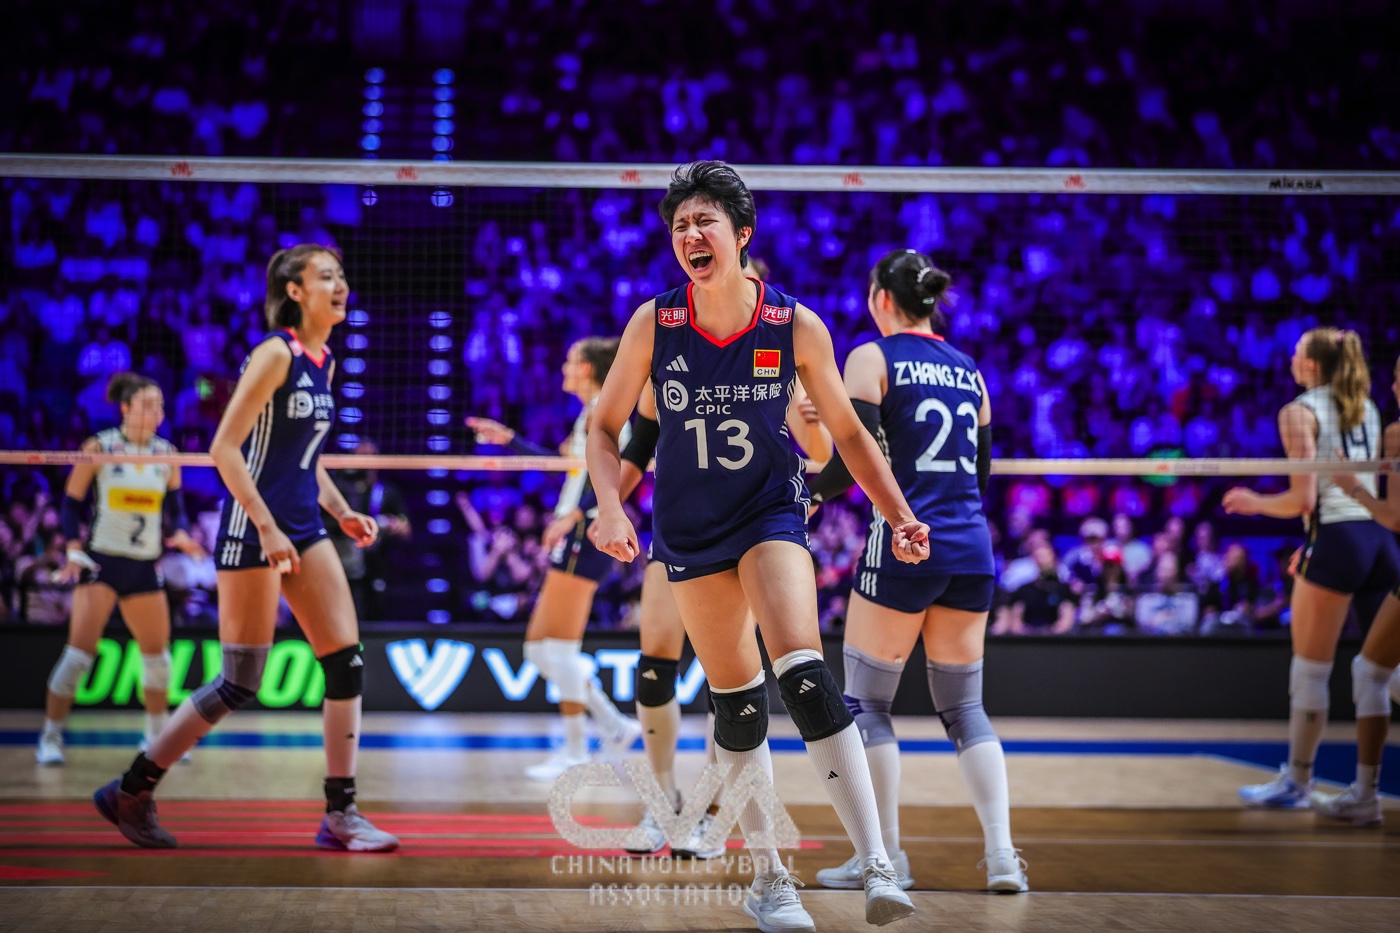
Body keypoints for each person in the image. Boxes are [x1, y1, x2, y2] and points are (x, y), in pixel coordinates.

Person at [588, 161, 923, 930]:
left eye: (704, 221)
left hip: (770, 513)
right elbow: (605, 428)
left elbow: (850, 435)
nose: (690, 235)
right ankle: (770, 877)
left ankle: (877, 860)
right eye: (680, 225)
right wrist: (608, 506)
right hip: (688, 529)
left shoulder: (795, 324)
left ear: (741, 234)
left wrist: (899, 514)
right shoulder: (654, 323)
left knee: (803, 674)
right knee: (736, 704)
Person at [93, 245, 399, 852]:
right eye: (326, 277)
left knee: (346, 662)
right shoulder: (275, 353)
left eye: (341, 275)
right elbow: (224, 449)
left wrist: (342, 512)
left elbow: (304, 459)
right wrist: (265, 526)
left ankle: (340, 814)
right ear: (294, 291)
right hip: (252, 529)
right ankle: (131, 788)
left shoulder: (325, 360)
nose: (340, 285)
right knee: (241, 680)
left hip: (304, 526)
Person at [804, 249, 1027, 894]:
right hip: (970, 545)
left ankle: (885, 859)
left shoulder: (872, 358)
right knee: (966, 709)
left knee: (866, 704)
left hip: (904, 544)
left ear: (882, 299)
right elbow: (980, 473)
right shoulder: (970, 370)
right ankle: (1003, 857)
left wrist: (805, 493)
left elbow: (854, 458)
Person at [1224, 329, 1400, 808]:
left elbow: (1303, 500)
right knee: (1378, 671)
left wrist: (1254, 502)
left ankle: (1298, 783)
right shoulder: (1366, 405)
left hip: (1338, 543)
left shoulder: (1298, 411)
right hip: (1379, 542)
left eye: (1298, 351)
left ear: (1313, 364)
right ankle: (1362, 792)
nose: (1290, 357)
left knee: (1311, 671)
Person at [467, 338, 642, 782]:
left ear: (585, 368)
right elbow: (568, 467)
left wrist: (573, 517)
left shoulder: (606, 412)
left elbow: (614, 476)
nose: (564, 368)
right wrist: (510, 440)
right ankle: (613, 724)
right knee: (539, 649)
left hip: (589, 531)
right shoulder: (591, 414)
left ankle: (578, 749)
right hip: (577, 529)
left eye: (569, 362)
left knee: (558, 648)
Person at [38, 372, 205, 765]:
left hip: (144, 567)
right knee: (77, 657)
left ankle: (156, 740)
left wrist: (181, 534)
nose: (157, 413)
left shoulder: (167, 454)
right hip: (102, 562)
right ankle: (49, 737)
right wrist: (73, 548)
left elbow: (176, 510)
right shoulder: (100, 447)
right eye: (148, 405)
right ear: (126, 408)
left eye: (160, 406)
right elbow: (70, 505)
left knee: (158, 662)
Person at [1316, 353, 1400, 825]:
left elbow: (1395, 518)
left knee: (1370, 672)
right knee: (1373, 669)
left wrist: (1352, 486)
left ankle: (1366, 796)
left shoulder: (1397, 432)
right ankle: (1364, 795)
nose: (1394, 386)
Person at [325, 439, 411, 622]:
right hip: (347, 562)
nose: (365, 461)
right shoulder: (342, 489)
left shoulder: (387, 491)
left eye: (369, 456)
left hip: (379, 563)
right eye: (360, 456)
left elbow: (406, 528)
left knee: (376, 612)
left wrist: (390, 524)